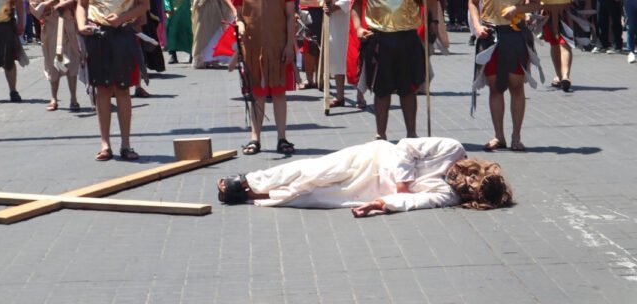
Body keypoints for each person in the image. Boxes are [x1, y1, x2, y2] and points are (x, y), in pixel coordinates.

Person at [216, 137, 512, 216]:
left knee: (313, 196)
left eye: (469, 191)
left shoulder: (450, 195)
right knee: (314, 170)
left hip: (370, 188)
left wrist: (381, 204)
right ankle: (247, 181)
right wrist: (403, 184)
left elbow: (415, 203)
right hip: (374, 157)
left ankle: (249, 196)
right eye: (470, 181)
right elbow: (407, 147)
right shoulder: (451, 148)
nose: (463, 186)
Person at [348, 0, 435, 141]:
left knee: (409, 89)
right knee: (381, 90)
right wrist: (359, 28)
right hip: (379, 37)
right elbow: (356, 2)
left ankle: (411, 133)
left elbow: (426, 3)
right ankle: (381, 134)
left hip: (407, 36)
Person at [75, 0, 149, 161]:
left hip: (123, 36)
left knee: (123, 90)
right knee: (102, 90)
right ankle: (104, 143)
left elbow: (143, 4)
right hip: (97, 36)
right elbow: (81, 4)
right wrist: (81, 24)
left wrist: (122, 18)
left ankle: (126, 144)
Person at [468, 0, 543, 152]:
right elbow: (472, 1)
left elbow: (536, 3)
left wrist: (518, 8)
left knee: (516, 86)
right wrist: (477, 25)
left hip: (514, 35)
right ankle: (498, 135)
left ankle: (516, 136)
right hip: (490, 36)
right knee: (494, 87)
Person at [223, 0, 298, 155]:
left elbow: (289, 16)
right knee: (256, 92)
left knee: (278, 92)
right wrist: (239, 19)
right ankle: (254, 138)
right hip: (252, 46)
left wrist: (290, 45)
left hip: (278, 45)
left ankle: (282, 138)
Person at [29, 0, 81, 111]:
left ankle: (73, 98)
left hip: (68, 27)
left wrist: (64, 2)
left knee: (72, 62)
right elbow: (35, 9)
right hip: (50, 29)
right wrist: (53, 0)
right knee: (52, 64)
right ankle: (53, 98)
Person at [318, 0, 362, 107]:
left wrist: (337, 5)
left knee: (355, 56)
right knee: (336, 56)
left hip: (352, 17)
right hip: (333, 20)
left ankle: (360, 95)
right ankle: (340, 95)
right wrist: (324, 3)